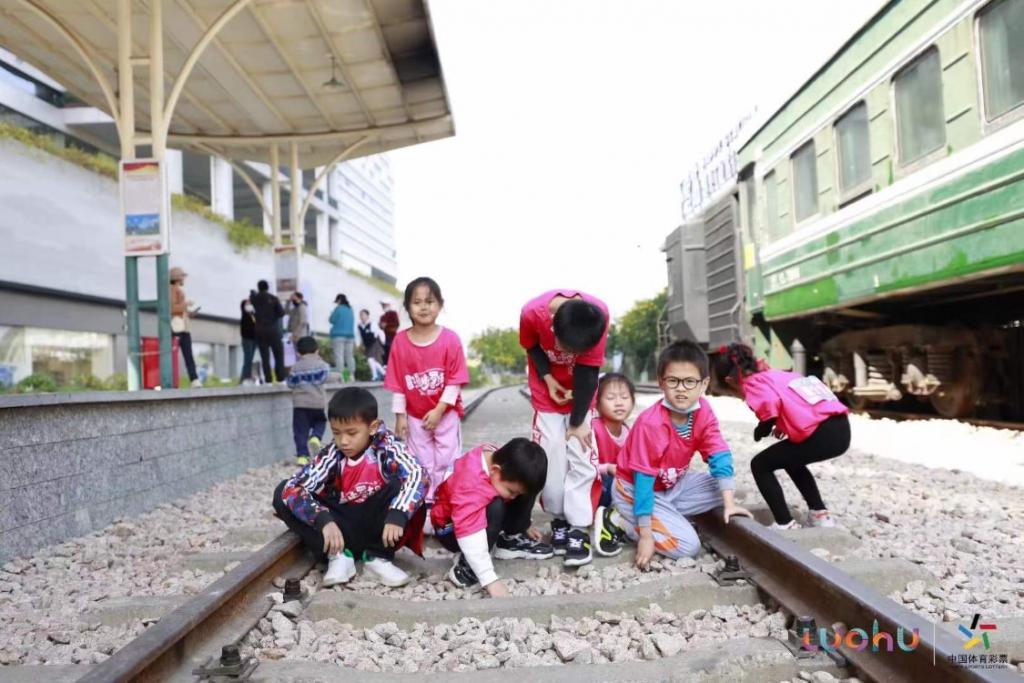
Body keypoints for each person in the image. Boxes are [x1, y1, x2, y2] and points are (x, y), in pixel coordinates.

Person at [613, 340, 752, 569]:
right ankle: (622, 522)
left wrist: (729, 504)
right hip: (634, 489)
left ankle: (667, 513)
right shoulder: (651, 424)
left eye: (689, 382)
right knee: (689, 546)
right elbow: (643, 482)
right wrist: (646, 536)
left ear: (704, 383)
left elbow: (718, 453)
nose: (681, 388)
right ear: (661, 382)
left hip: (671, 485)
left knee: (727, 488)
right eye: (673, 381)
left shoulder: (703, 411)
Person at [272, 386, 427, 588]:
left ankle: (377, 558)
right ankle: (338, 557)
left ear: (372, 427)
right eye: (337, 433)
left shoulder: (388, 446)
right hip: (340, 528)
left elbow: (418, 473)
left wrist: (398, 513)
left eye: (352, 433)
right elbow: (294, 487)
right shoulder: (333, 453)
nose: (343, 441)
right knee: (282, 492)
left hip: (379, 528)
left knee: (406, 486)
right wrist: (322, 519)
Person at [714, 342, 850, 530]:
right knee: (791, 460)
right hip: (840, 428)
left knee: (760, 465)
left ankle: (785, 523)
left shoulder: (752, 382)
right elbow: (798, 402)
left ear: (729, 381)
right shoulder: (778, 374)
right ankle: (820, 515)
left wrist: (765, 425)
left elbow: (770, 402)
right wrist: (783, 423)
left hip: (822, 433)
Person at [519, 289, 608, 567]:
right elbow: (532, 345)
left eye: (575, 352)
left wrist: (578, 422)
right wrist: (547, 378)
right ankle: (559, 519)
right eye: (567, 348)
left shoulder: (598, 316)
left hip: (581, 395)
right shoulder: (532, 313)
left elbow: (588, 371)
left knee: (582, 457)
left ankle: (579, 528)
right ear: (553, 322)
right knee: (551, 458)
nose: (569, 355)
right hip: (547, 395)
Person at [431, 438, 552, 596]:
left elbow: (516, 489)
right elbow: (469, 532)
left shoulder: (498, 459)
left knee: (527, 485)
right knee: (495, 506)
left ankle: (508, 541)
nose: (513, 497)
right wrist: (489, 579)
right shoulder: (470, 483)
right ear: (495, 470)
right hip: (450, 528)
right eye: (511, 491)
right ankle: (467, 567)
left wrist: (523, 524)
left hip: (470, 516)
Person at [589, 372, 635, 557]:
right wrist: (607, 468)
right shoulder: (594, 428)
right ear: (597, 404)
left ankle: (617, 518)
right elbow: (584, 465)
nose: (619, 403)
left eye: (624, 397)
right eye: (610, 398)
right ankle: (610, 516)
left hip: (618, 486)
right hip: (597, 486)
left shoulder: (628, 431)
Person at [287, 336, 338, 466]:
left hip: (300, 405)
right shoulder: (322, 365)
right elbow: (327, 377)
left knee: (300, 431)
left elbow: (290, 384)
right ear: (317, 351)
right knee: (320, 421)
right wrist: (339, 377)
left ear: (298, 352)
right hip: (317, 403)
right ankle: (316, 436)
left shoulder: (295, 367)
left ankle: (302, 457)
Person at [169, 266, 201, 388]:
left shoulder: (176, 290)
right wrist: (186, 304)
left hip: (181, 326)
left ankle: (194, 379)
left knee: (186, 355)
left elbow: (178, 308)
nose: (184, 279)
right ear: (177, 278)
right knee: (185, 355)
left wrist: (189, 311)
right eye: (182, 277)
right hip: (178, 328)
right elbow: (172, 308)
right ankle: (193, 379)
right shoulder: (173, 290)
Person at [251, 280, 286, 383]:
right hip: (273, 330)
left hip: (259, 330)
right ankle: (280, 378)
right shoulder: (273, 298)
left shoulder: (254, 299)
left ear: (258, 287)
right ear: (267, 287)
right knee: (278, 354)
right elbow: (281, 313)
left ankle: (268, 380)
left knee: (264, 356)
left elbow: (251, 308)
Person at [329, 294, 356, 380]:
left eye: (337, 301)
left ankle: (341, 376)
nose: (336, 303)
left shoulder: (338, 308)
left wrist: (332, 314)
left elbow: (331, 320)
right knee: (349, 355)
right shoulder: (350, 309)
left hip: (338, 335)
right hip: (350, 336)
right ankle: (350, 375)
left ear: (339, 300)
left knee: (339, 355)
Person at [357, 309, 387, 381]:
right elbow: (359, 336)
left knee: (370, 359)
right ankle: (384, 373)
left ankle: (375, 376)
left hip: (374, 343)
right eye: (361, 315)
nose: (362, 316)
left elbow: (378, 332)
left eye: (364, 315)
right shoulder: (359, 325)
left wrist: (383, 341)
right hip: (367, 344)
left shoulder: (372, 323)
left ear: (367, 316)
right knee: (373, 361)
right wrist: (358, 345)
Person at [239, 297, 258, 384]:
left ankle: (247, 377)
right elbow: (245, 330)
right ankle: (245, 378)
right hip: (247, 339)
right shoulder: (245, 316)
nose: (249, 305)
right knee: (248, 359)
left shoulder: (253, 315)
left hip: (254, 339)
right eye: (247, 304)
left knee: (250, 359)